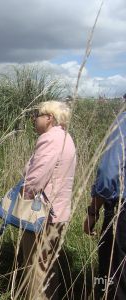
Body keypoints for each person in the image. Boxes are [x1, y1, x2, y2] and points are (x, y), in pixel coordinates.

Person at [17, 101, 76, 299]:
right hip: (58, 213)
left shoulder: (49, 139)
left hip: (41, 215)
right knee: (49, 265)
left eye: (38, 115)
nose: (35, 119)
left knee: (35, 268)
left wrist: (22, 195)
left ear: (49, 118)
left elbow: (36, 178)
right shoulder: (67, 138)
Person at [84, 111, 126, 299]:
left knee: (112, 276)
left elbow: (108, 175)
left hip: (120, 212)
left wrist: (93, 212)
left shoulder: (123, 122)